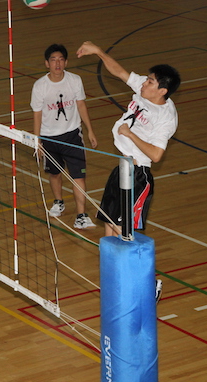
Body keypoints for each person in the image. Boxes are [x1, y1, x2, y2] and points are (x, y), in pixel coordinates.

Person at [76, 41, 180, 302]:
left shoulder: (166, 117)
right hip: (121, 167)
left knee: (124, 233)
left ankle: (149, 282)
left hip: (138, 175)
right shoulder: (144, 90)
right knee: (109, 229)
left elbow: (156, 155)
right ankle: (115, 282)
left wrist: (130, 134)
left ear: (162, 90)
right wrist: (99, 52)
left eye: (150, 81)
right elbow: (120, 72)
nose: (144, 83)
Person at [31, 43, 98, 229]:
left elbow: (81, 105)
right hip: (49, 138)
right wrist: (37, 140)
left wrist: (90, 130)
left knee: (79, 176)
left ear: (66, 62)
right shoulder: (40, 86)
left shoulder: (75, 80)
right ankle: (58, 201)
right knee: (54, 173)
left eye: (61, 59)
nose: (57, 63)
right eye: (53, 60)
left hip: (72, 135)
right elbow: (37, 114)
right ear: (47, 63)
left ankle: (81, 216)